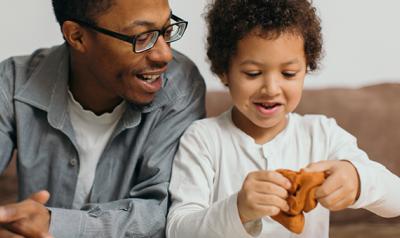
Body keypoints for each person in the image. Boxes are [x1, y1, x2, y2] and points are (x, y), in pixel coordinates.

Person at [166, 0, 400, 237]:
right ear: (223, 71)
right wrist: (237, 209)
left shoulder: (322, 134)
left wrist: (358, 180)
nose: (271, 88)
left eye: (288, 74)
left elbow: (396, 200)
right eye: (253, 73)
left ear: (306, 68)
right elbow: (178, 229)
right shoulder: (202, 139)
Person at [0, 0, 205, 237]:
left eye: (166, 31)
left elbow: (163, 211)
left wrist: (55, 224)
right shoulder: (12, 81)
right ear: (77, 36)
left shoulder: (180, 88)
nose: (164, 55)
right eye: (141, 37)